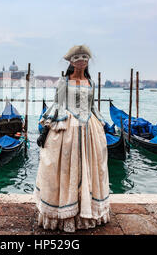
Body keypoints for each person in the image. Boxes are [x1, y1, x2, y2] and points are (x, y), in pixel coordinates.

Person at [34, 45, 110, 233]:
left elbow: (92, 107)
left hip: (89, 129)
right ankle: (65, 212)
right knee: (66, 168)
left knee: (91, 167)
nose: (82, 60)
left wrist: (102, 124)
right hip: (68, 129)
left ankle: (87, 211)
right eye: (77, 58)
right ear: (71, 61)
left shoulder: (91, 83)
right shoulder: (63, 82)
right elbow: (57, 105)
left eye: (85, 57)